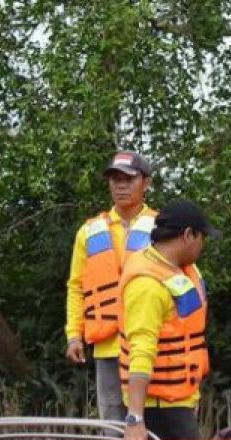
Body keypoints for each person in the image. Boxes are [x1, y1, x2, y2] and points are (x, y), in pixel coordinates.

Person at [117, 200, 219, 440]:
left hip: (179, 401)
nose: (202, 245)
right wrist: (135, 420)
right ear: (188, 235)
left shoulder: (179, 269)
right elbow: (141, 352)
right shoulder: (147, 286)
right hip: (159, 409)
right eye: (201, 237)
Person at [65, 151, 157, 421]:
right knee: (113, 427)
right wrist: (74, 335)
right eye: (115, 179)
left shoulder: (162, 227)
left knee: (151, 423)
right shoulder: (89, 231)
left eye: (128, 179)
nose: (121, 186)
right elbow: (76, 286)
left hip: (149, 344)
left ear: (146, 183)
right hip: (107, 346)